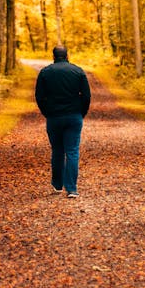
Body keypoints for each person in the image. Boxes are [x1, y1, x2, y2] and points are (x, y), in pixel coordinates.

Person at [35, 46, 91, 198]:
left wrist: (46, 112)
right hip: (74, 116)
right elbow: (86, 95)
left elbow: (39, 97)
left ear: (53, 56)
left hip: (54, 117)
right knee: (72, 151)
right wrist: (82, 112)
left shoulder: (45, 72)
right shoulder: (78, 71)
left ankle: (57, 185)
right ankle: (72, 189)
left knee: (57, 150)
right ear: (67, 55)